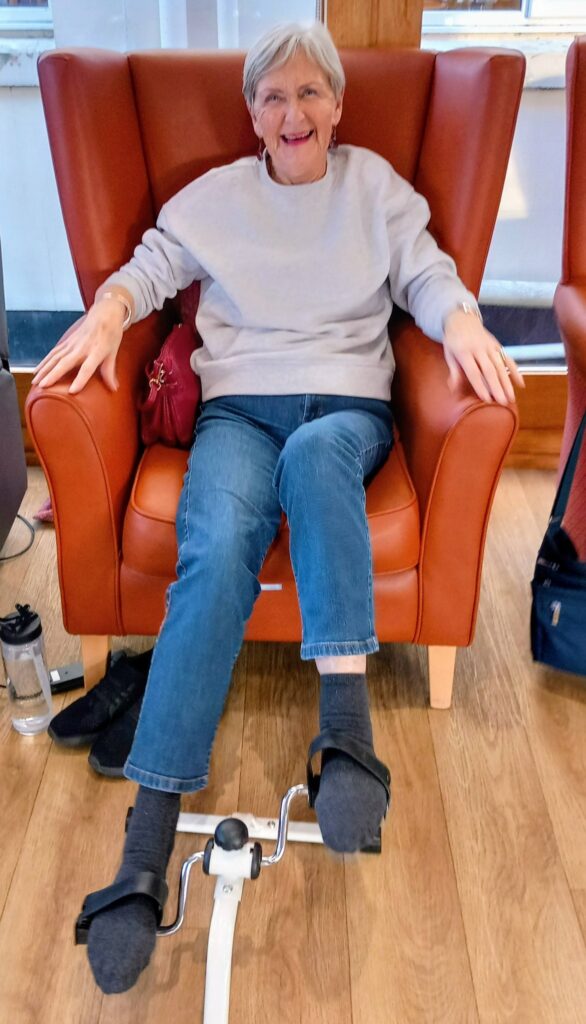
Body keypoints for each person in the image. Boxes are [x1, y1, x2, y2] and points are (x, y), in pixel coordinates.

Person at [32, 21, 523, 995]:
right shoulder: (213, 198)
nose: (291, 112)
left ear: (336, 105)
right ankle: (141, 853)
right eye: (271, 97)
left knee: (318, 459)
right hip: (236, 408)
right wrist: (108, 312)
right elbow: (150, 266)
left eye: (309, 93)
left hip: (343, 403)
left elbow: (424, 274)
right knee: (213, 545)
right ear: (251, 114)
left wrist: (460, 314)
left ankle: (346, 739)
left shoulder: (376, 190)